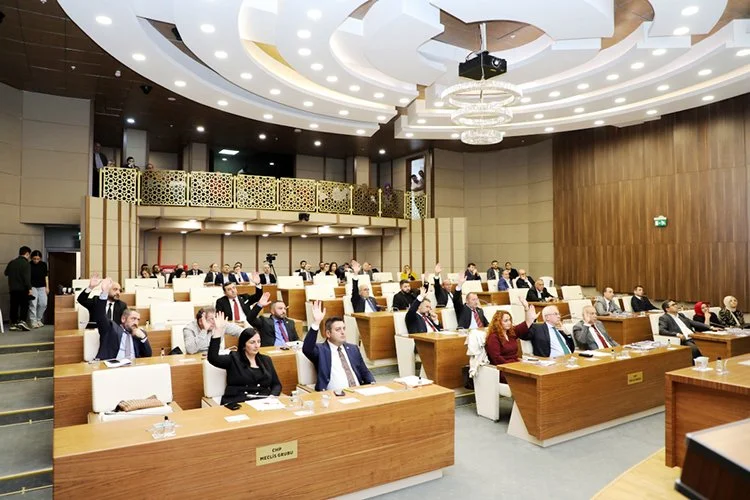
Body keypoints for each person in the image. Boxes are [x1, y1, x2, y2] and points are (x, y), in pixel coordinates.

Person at [208, 311, 282, 404]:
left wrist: (272, 396)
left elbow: (276, 385)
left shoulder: (266, 360)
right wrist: (218, 332)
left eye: (258, 342)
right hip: (239, 401)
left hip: (263, 402)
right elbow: (213, 358)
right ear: (243, 345)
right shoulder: (233, 358)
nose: (257, 346)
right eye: (252, 342)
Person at [303, 301, 375, 391]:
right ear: (328, 333)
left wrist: (373, 384)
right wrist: (316, 323)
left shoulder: (353, 348)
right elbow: (307, 349)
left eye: (344, 328)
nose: (342, 332)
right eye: (338, 329)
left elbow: (365, 372)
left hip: (357, 391)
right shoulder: (321, 350)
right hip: (335, 395)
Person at [93, 277, 152, 360]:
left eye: (138, 320)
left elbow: (148, 355)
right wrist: (104, 292)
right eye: (133, 319)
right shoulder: (111, 329)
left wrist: (143, 338)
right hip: (113, 365)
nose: (136, 322)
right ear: (123, 319)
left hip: (133, 365)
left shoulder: (139, 333)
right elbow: (100, 315)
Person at [484, 310, 523, 382]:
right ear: (498, 323)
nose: (509, 322)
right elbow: (496, 358)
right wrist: (511, 365)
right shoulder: (493, 337)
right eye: (506, 321)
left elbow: (523, 326)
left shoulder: (510, 334)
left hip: (515, 365)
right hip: (503, 369)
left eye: (510, 320)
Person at [4, 246, 32, 331]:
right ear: (27, 254)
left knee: (14, 306)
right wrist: (30, 289)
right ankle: (22, 321)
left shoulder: (12, 262)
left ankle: (13, 323)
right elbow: (26, 278)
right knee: (24, 305)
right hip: (23, 289)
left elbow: (6, 273)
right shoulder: (26, 264)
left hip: (13, 289)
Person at [28, 250, 49, 328]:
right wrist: (29, 288)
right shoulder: (29, 265)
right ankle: (33, 321)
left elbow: (46, 277)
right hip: (32, 286)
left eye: (38, 259)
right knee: (33, 304)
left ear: (40, 258)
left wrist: (47, 287)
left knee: (43, 303)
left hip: (42, 286)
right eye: (34, 259)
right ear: (31, 258)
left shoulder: (43, 264)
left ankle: (38, 319)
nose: (36, 260)